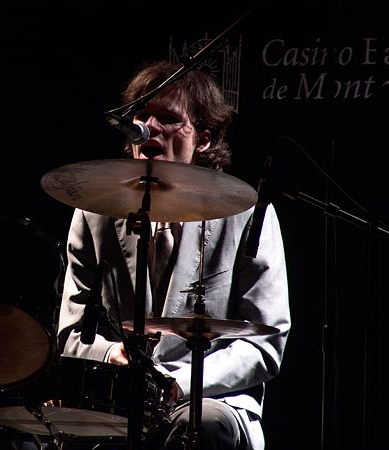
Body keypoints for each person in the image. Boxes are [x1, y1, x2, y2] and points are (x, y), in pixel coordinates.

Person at [56, 60, 291, 450]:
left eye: (167, 118)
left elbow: (265, 343)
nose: (149, 127)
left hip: (207, 396)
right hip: (115, 398)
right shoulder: (94, 213)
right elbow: (71, 332)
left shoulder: (247, 216)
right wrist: (111, 354)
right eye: (141, 116)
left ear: (203, 139)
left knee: (204, 424)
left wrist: (177, 384)